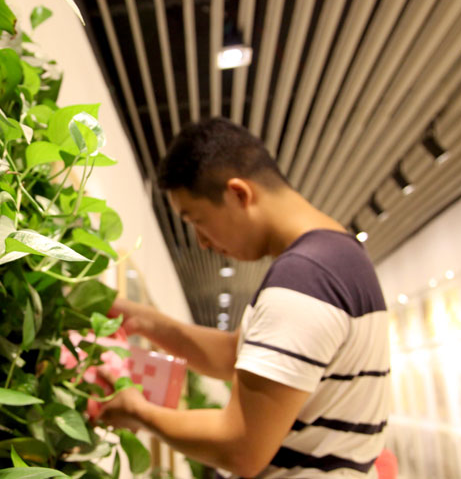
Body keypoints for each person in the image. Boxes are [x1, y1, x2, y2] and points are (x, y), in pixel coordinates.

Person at [97, 118, 391, 478]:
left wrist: (137, 411)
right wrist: (142, 319)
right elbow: (234, 355)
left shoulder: (305, 279)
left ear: (239, 194)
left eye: (196, 219)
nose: (202, 242)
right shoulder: (337, 258)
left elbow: (241, 448)